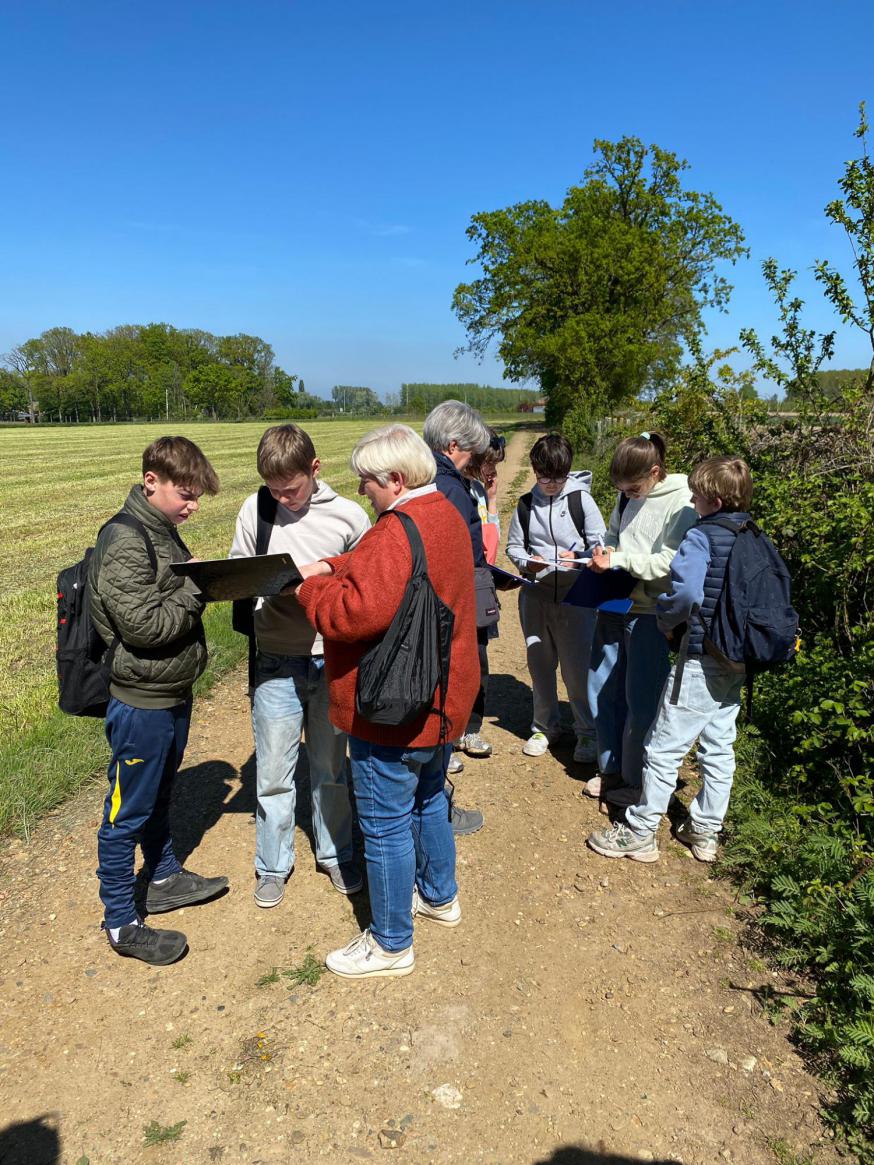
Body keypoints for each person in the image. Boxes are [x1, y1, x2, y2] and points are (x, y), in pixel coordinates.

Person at [295, 424, 479, 978]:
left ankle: (391, 942)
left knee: (383, 825)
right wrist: (335, 565)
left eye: (367, 481)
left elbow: (351, 614)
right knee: (428, 799)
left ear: (395, 480)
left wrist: (309, 589)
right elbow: (391, 573)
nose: (361, 491)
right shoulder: (444, 512)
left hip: (393, 708)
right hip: (441, 699)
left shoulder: (395, 530)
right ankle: (440, 897)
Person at [89, 436, 227, 965]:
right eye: (186, 495)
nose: (193, 507)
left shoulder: (159, 529)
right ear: (152, 482)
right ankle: (121, 921)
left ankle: (165, 877)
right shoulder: (126, 539)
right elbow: (144, 627)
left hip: (169, 691)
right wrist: (197, 586)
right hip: (141, 701)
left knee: (159, 792)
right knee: (126, 810)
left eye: (197, 498)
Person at [229, 424, 370, 908]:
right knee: (272, 772)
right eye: (273, 489)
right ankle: (272, 865)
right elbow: (239, 570)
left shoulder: (349, 515)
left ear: (315, 469)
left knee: (330, 767)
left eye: (291, 488)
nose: (283, 499)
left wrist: (320, 584)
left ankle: (336, 853)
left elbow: (366, 580)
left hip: (333, 658)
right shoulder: (254, 509)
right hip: (275, 656)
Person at [587, 457, 754, 863]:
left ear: (714, 501)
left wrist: (666, 621)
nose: (691, 502)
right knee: (719, 745)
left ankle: (640, 832)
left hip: (700, 653)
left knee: (663, 747)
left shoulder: (700, 536)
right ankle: (705, 831)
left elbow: (687, 593)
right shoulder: (752, 534)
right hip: (737, 656)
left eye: (697, 497)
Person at [584, 432, 697, 806]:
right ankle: (610, 768)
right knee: (603, 688)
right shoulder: (626, 495)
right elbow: (614, 534)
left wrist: (617, 560)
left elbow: (670, 562)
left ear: (655, 472)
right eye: (622, 491)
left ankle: (637, 780)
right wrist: (606, 550)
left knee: (641, 700)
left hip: (649, 613)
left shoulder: (682, 502)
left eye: (633, 489)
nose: (628, 496)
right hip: (615, 602)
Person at [506, 433, 606, 762]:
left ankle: (588, 733)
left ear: (568, 471)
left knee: (578, 670)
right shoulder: (525, 505)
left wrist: (577, 557)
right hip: (535, 595)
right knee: (540, 664)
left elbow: (600, 546)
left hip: (576, 596)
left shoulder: (581, 502)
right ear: (535, 470)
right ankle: (544, 727)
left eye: (558, 478)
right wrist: (527, 562)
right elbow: (514, 547)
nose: (551, 484)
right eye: (544, 477)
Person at [422, 400, 492, 828]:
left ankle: (435, 805)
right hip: (449, 612)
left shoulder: (428, 478)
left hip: (438, 611)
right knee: (446, 702)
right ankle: (437, 810)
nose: (472, 462)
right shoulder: (446, 487)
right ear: (452, 446)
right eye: (470, 453)